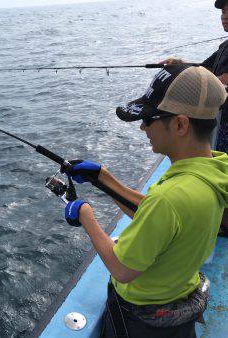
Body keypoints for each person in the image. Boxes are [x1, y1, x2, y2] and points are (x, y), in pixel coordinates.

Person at [64, 65, 228, 337]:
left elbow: (121, 269)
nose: (142, 127)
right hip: (180, 300)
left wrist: (85, 214)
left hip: (144, 324)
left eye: (149, 119)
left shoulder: (168, 199)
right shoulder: (214, 172)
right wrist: (103, 179)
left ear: (180, 124)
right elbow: (162, 217)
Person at [160, 0, 228, 237]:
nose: (224, 15)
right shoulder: (224, 46)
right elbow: (203, 69)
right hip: (222, 121)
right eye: (222, 10)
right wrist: (179, 65)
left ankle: (223, 222)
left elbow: (217, 80)